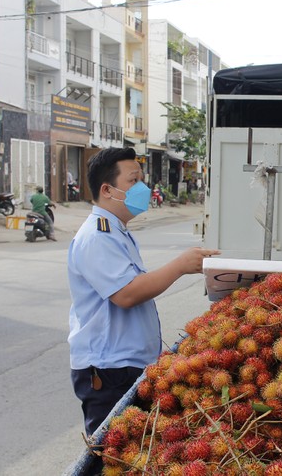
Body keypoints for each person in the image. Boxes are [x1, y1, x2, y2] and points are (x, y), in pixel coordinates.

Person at [67, 147, 220, 435]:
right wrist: (180, 265)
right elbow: (126, 294)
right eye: (133, 180)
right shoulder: (96, 236)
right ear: (107, 190)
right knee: (110, 456)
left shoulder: (116, 232)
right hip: (109, 370)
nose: (143, 188)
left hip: (126, 366)